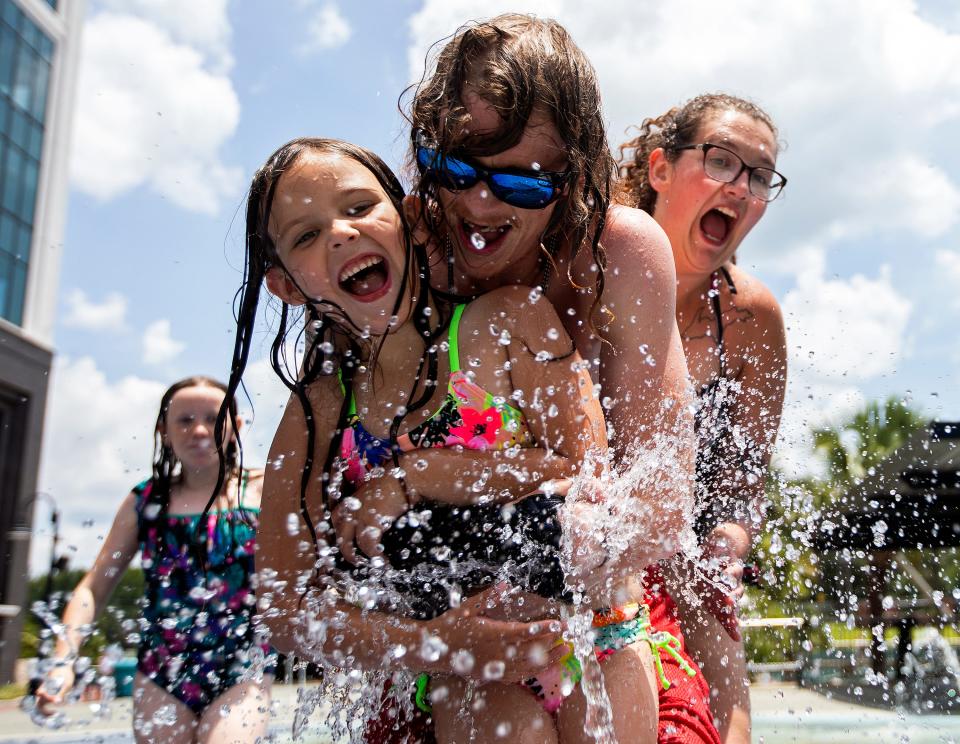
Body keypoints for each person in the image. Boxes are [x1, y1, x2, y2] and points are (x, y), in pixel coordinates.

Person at [260, 13, 721, 744]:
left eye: (522, 180)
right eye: (455, 170)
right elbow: (292, 592)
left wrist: (423, 489)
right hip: (442, 637)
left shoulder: (618, 253)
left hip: (600, 603)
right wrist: (444, 638)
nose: (479, 205)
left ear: (574, 175)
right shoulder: (401, 255)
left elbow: (657, 509)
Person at [225, 135, 663, 742]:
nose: (341, 234)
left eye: (357, 208)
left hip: (595, 632)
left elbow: (588, 478)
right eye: (305, 235)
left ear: (405, 217)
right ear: (286, 285)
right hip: (460, 670)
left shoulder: (507, 322)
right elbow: (288, 609)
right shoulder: (320, 413)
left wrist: (416, 477)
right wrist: (436, 645)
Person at [616, 93, 789, 744]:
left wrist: (730, 543)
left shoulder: (751, 318)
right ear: (659, 169)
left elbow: (745, 484)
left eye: (760, 174)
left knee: (729, 722)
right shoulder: (588, 267)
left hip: (686, 556)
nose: (741, 188)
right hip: (587, 548)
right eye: (721, 161)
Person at [35, 377, 273, 744]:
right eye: (184, 420)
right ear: (163, 431)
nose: (198, 429)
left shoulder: (263, 492)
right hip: (161, 671)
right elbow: (94, 588)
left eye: (213, 417)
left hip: (243, 666)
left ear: (236, 427)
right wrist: (64, 660)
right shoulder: (144, 502)